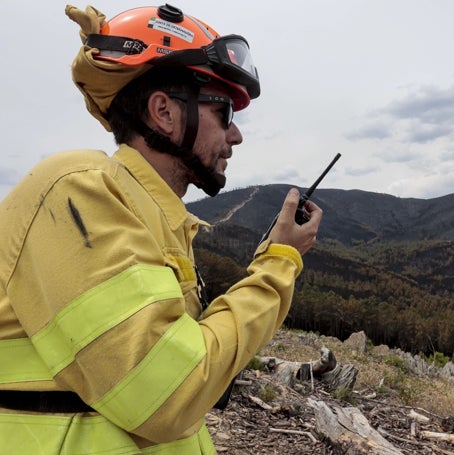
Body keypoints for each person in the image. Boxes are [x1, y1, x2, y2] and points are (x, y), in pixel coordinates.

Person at [0, 4, 321, 454]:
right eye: (225, 112)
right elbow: (172, 394)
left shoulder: (149, 217)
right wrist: (278, 264)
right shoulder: (77, 190)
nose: (236, 136)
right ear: (164, 112)